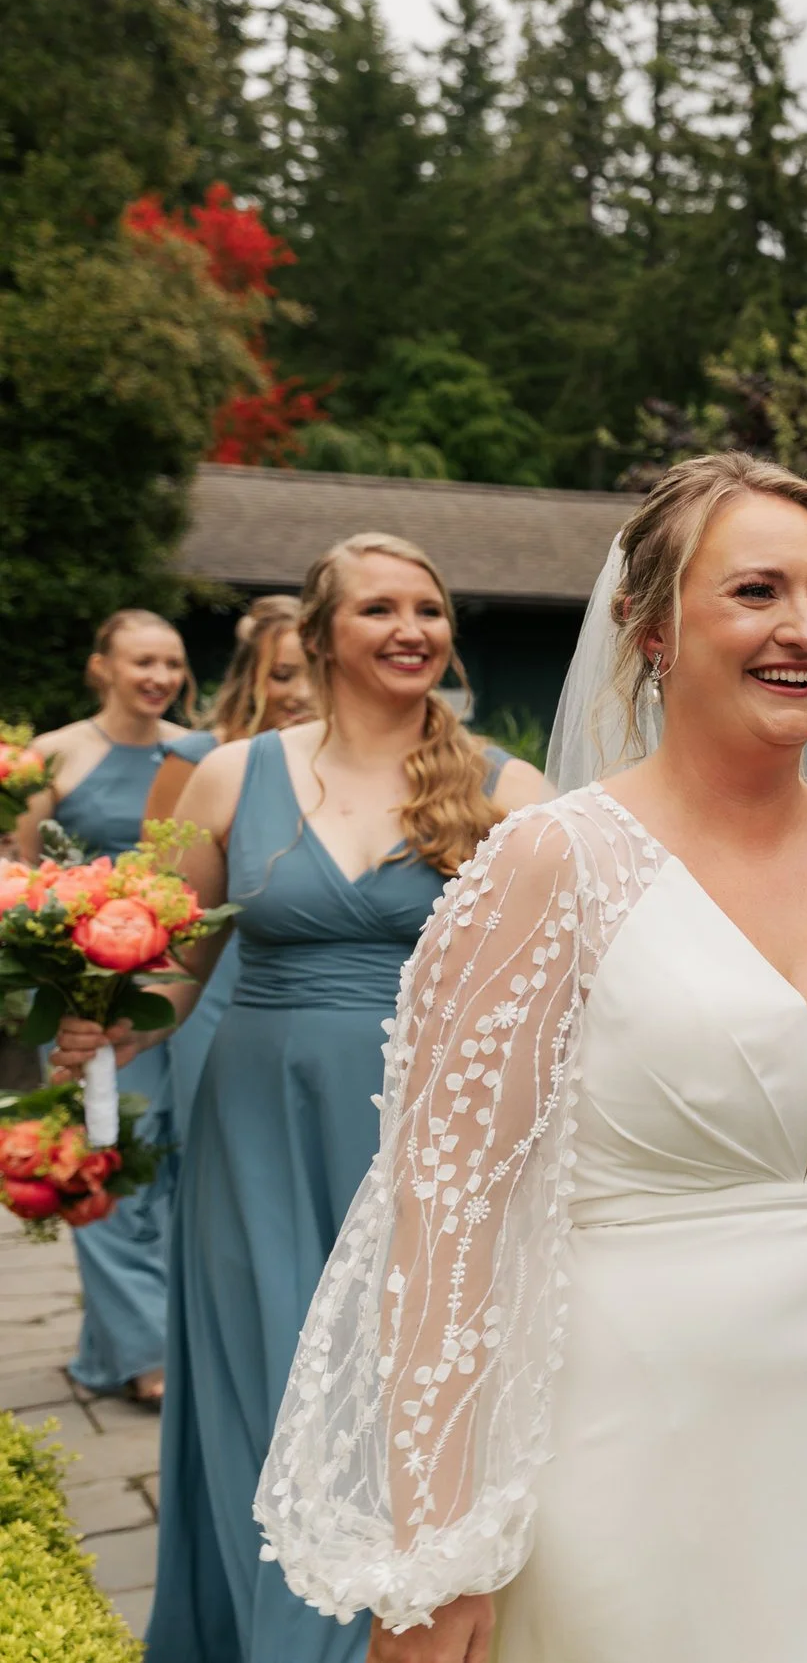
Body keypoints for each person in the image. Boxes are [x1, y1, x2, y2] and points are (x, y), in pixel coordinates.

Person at [248, 455, 807, 1663]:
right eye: (756, 591)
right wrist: (438, 1559)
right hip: (634, 1452)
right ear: (650, 629)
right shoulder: (545, 869)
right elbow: (448, 1223)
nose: (803, 629)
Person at [53, 534, 546, 1663]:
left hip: (428, 1136)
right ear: (318, 637)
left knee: (400, 1403)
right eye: (380, 608)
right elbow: (173, 966)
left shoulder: (510, 788)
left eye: (430, 607)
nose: (413, 627)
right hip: (256, 1132)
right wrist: (101, 1021)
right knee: (270, 1403)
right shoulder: (228, 776)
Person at [18, 610, 198, 1407]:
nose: (159, 677)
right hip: (79, 985)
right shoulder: (56, 753)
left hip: (174, 979)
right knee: (103, 1151)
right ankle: (143, 1351)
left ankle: (117, 1341)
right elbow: (20, 875)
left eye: (171, 663)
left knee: (168, 1159)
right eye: (142, 662)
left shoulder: (197, 753)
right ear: (103, 667)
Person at [145, 596, 316, 1157]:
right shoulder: (199, 758)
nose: (302, 692)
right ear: (252, 677)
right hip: (210, 972)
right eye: (284, 674)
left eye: (314, 673)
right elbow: (155, 886)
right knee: (214, 1131)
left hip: (311, 970)